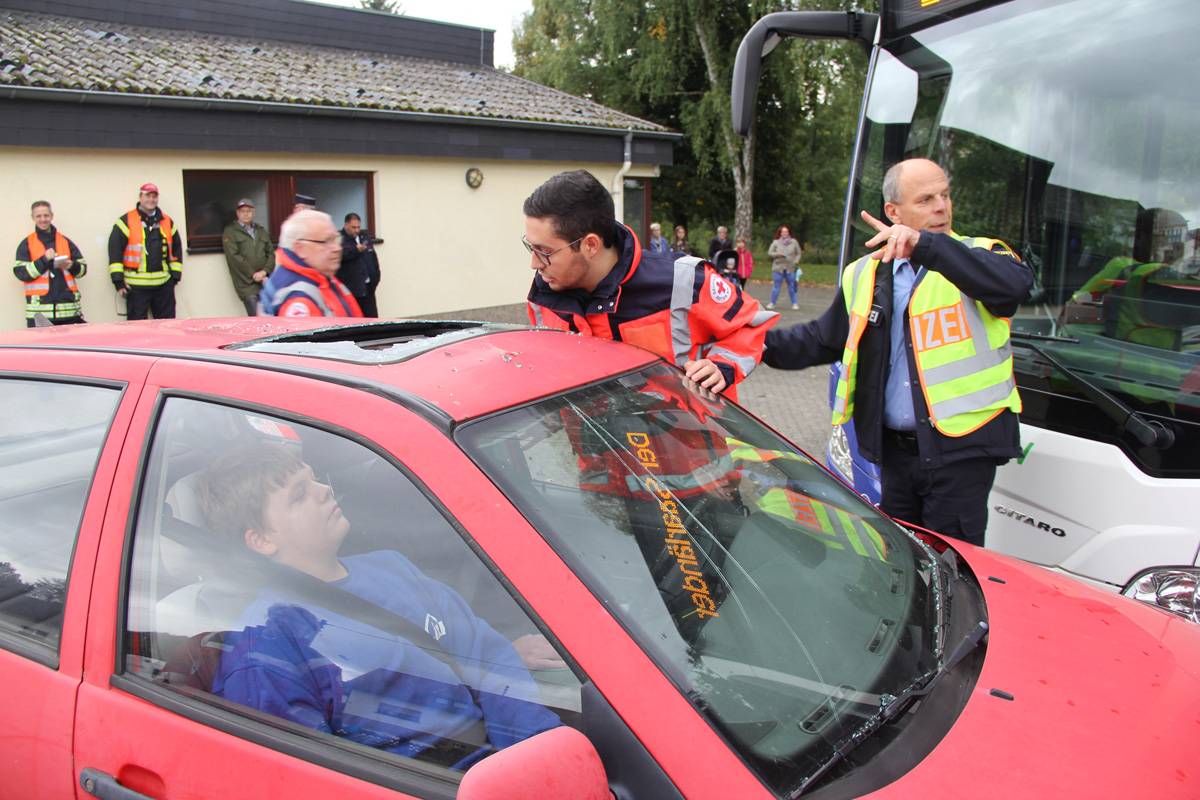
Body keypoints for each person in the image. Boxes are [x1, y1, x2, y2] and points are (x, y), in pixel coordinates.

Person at [195, 444, 562, 770]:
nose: (324, 490)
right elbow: (307, 776)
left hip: (499, 760)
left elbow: (487, 658)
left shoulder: (392, 566)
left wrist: (537, 753)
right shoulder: (266, 649)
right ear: (261, 540)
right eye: (300, 495)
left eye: (314, 479)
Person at [762, 158, 1033, 547]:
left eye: (944, 195)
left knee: (952, 563)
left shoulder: (978, 254)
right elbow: (823, 339)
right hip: (894, 456)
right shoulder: (864, 272)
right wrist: (752, 345)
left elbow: (1014, 287)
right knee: (901, 559)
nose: (941, 207)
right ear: (893, 212)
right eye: (925, 199)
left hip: (962, 452)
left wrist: (924, 245)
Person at [523, 169, 778, 400]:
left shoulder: (682, 281)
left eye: (544, 251)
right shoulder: (545, 292)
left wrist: (722, 366)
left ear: (590, 245)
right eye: (530, 247)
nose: (534, 263)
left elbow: (751, 323)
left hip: (687, 436)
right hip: (592, 438)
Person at [258, 210, 363, 318]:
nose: (337, 248)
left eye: (336, 239)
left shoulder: (320, 278)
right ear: (300, 248)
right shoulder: (299, 299)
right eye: (326, 241)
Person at [108, 183, 183, 320]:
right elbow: (115, 252)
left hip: (163, 285)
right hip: (136, 287)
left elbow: (176, 249)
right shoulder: (126, 221)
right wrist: (118, 281)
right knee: (137, 328)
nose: (151, 199)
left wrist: (174, 277)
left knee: (167, 326)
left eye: (154, 196)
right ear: (140, 197)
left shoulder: (167, 221)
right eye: (147, 196)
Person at [13, 200, 87, 327]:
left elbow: (83, 270)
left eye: (46, 215)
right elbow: (22, 274)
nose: (43, 219)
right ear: (33, 218)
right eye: (38, 216)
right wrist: (44, 259)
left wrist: (71, 266)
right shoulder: (27, 244)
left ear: (52, 216)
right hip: (39, 315)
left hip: (68, 313)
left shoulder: (65, 242)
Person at [221, 198, 275, 315]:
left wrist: (264, 272)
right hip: (246, 284)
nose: (246, 214)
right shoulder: (231, 231)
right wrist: (253, 275)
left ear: (254, 213)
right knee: (257, 318)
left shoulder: (260, 230)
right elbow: (234, 257)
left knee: (272, 316)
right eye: (242, 211)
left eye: (249, 211)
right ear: (237, 213)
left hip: (264, 281)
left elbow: (270, 253)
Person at [337, 213, 379, 317]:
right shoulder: (340, 240)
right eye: (353, 227)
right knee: (354, 321)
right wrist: (355, 250)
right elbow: (339, 257)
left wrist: (375, 278)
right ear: (346, 225)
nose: (356, 230)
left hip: (368, 289)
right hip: (351, 291)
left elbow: (374, 260)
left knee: (372, 321)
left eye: (358, 227)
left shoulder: (365, 238)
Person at [767, 225, 801, 310]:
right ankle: (772, 303)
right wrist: (776, 254)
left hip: (790, 268)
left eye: (786, 232)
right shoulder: (776, 242)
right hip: (778, 267)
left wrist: (796, 261)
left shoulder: (794, 242)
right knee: (776, 286)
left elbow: (799, 253)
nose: (784, 233)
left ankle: (794, 303)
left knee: (791, 286)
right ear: (780, 233)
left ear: (789, 233)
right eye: (783, 232)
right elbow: (770, 253)